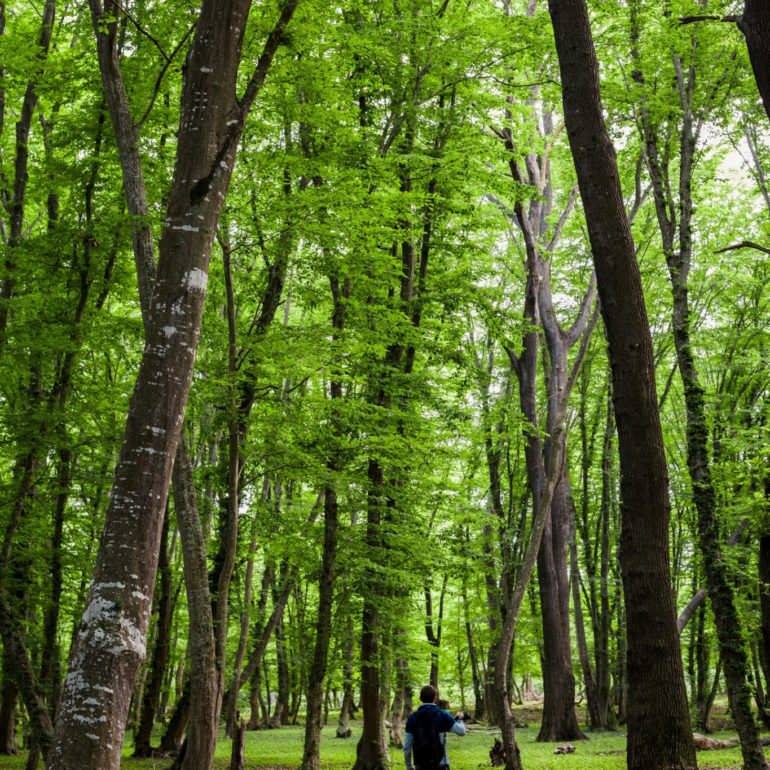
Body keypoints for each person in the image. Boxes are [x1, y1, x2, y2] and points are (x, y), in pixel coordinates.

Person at [404, 685, 466, 770]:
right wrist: (459, 719)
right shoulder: (443, 715)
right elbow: (462, 732)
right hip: (441, 764)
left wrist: (409, 766)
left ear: (420, 698)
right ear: (435, 698)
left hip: (421, 765)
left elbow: (407, 747)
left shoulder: (412, 718)